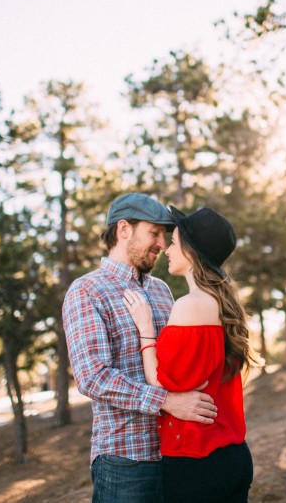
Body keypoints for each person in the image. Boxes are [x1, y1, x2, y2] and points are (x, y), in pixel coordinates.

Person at [62, 193, 219, 503]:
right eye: (154, 233)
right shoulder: (87, 290)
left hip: (177, 454)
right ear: (123, 230)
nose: (162, 243)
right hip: (125, 461)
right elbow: (93, 377)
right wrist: (167, 401)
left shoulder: (161, 290)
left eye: (164, 235)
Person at [124, 206, 261, 503]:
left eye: (174, 243)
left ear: (192, 252)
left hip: (197, 460)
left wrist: (146, 328)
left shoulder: (191, 305)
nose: (167, 249)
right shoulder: (223, 304)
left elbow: (160, 383)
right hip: (231, 455)